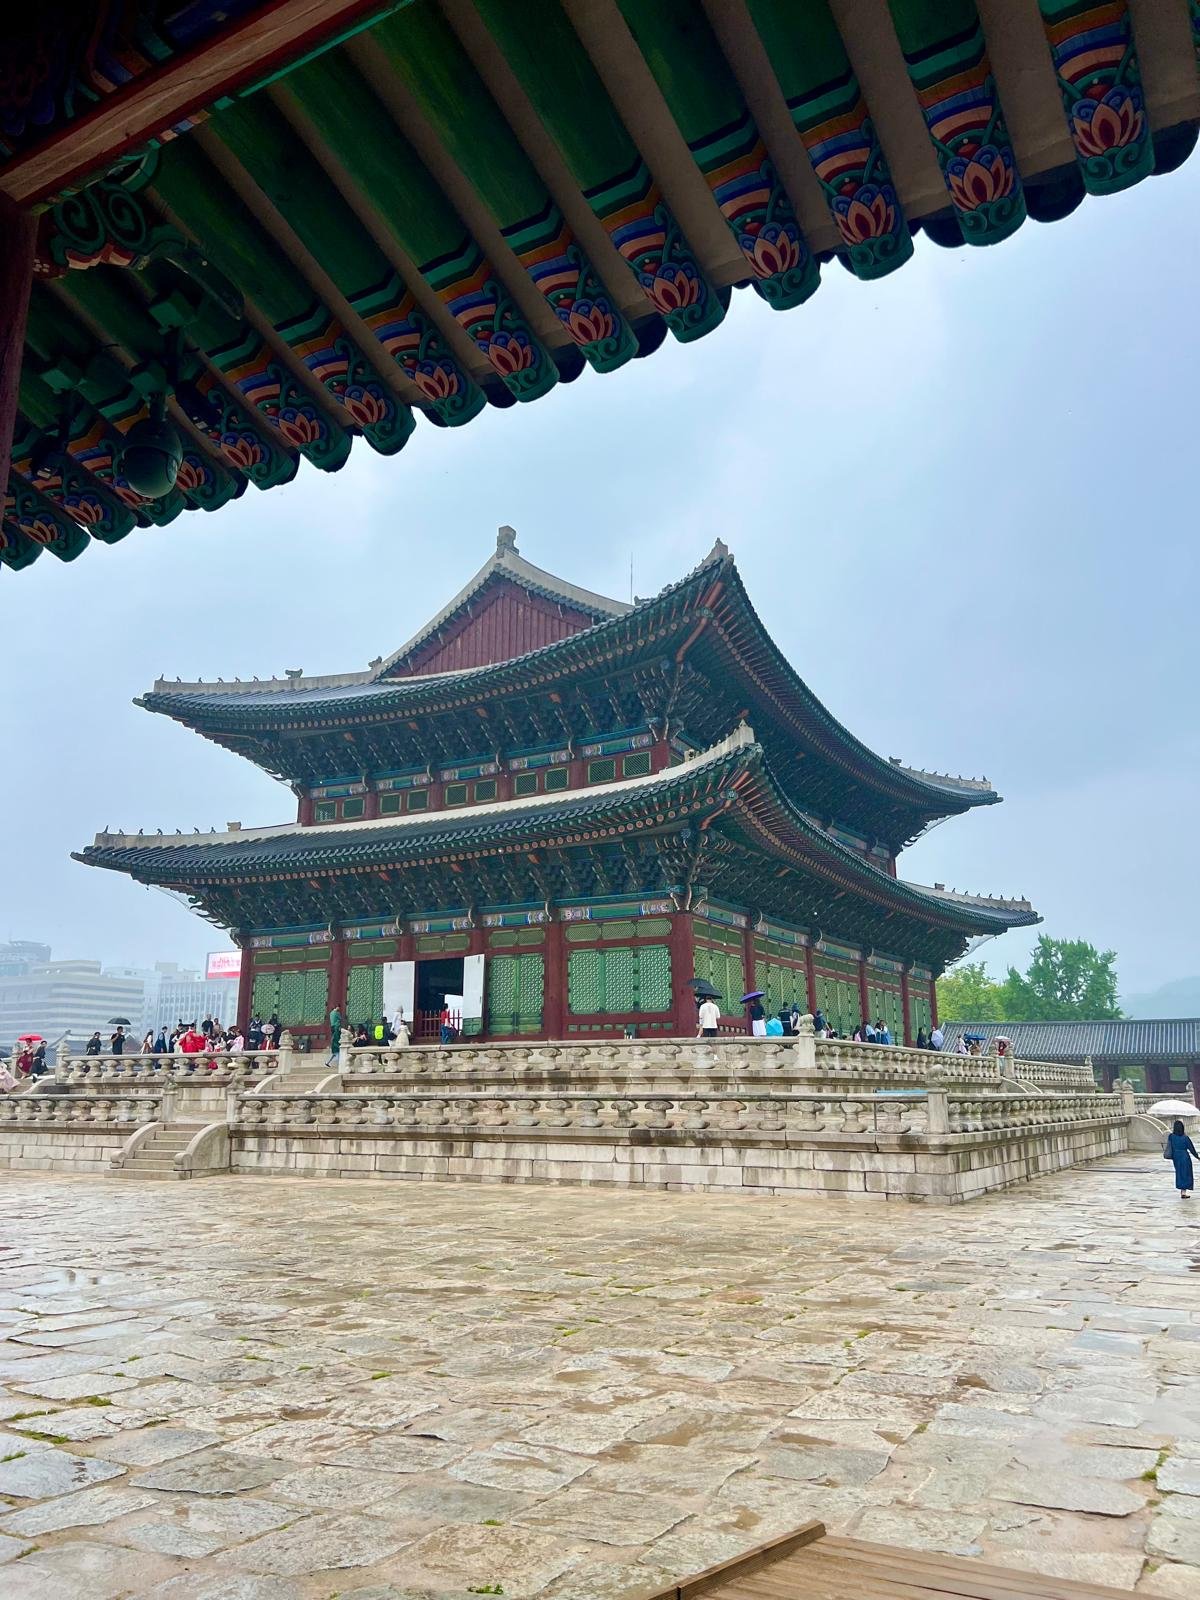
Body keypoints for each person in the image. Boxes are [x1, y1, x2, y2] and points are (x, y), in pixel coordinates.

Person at [1166, 1119, 1198, 1200]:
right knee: (1186, 1174)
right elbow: (1191, 1149)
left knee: (1179, 1173)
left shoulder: (1171, 1136)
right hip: (1185, 1157)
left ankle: (1182, 1191)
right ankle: (1184, 1192)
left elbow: (1169, 1146)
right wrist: (1197, 1157)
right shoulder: (1185, 1137)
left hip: (1176, 1157)